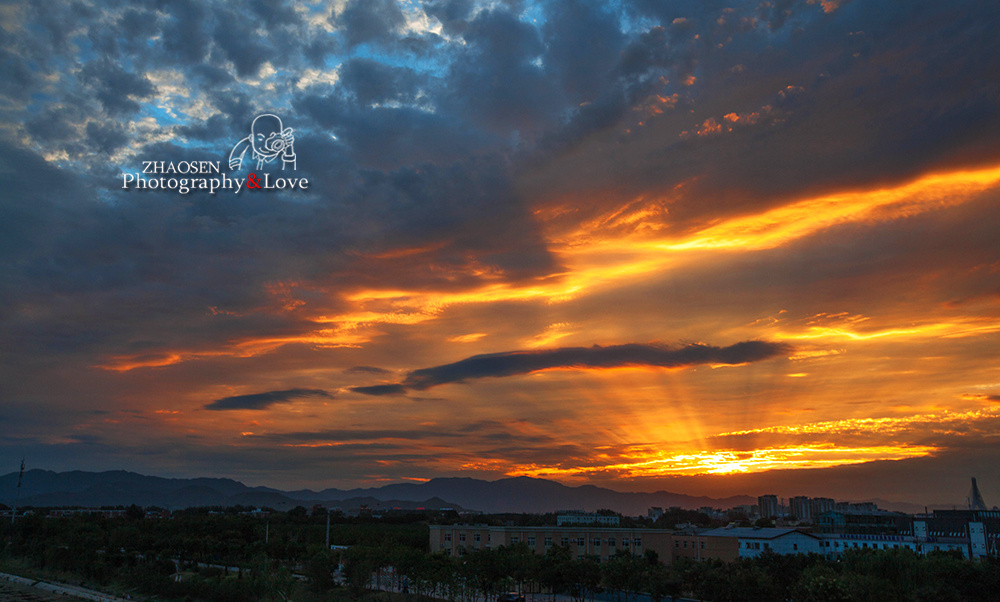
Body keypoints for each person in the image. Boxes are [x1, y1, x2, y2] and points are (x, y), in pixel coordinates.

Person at [229, 114, 296, 170]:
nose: (266, 143)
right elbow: (243, 144)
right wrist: (234, 160)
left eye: (273, 137)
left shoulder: (281, 155)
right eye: (260, 138)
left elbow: (291, 172)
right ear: (252, 138)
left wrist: (288, 148)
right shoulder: (249, 150)